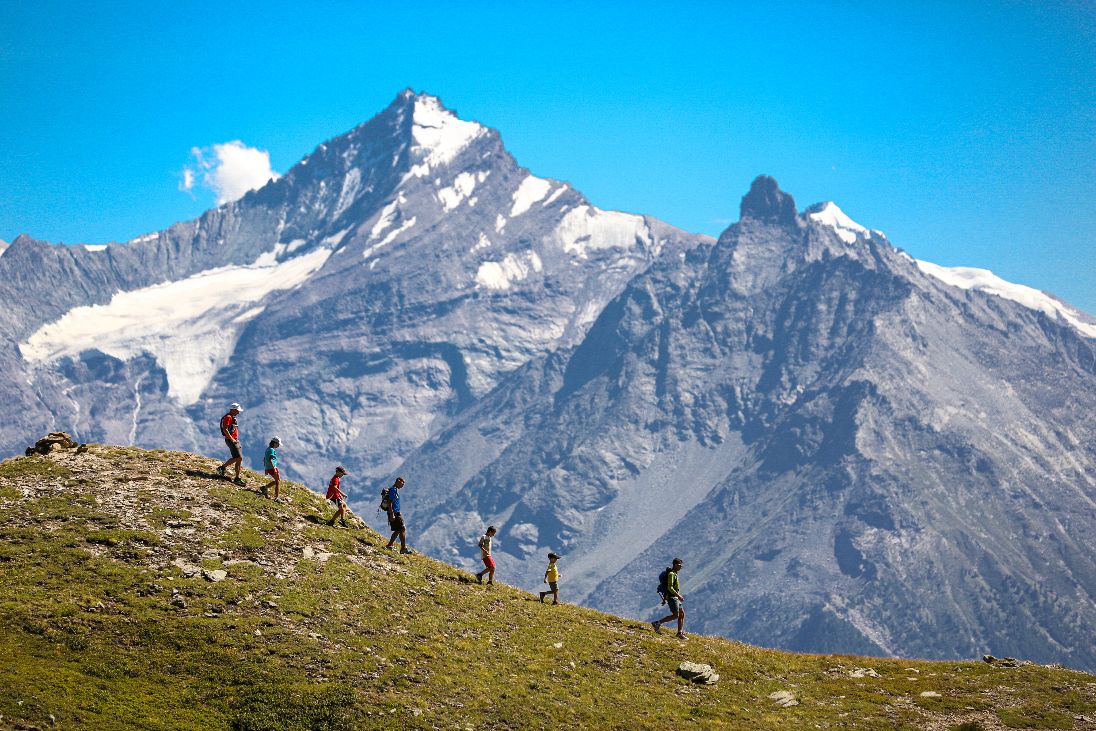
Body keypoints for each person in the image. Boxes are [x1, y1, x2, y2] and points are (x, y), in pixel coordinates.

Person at [652, 557, 686, 639]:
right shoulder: (671, 574)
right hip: (672, 597)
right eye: (678, 565)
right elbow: (670, 587)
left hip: (675, 597)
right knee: (675, 615)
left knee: (682, 614)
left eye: (681, 566)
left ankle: (679, 633)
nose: (680, 567)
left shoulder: (675, 574)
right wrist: (679, 596)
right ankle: (657, 623)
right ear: (674, 565)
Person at [216, 403, 245, 486]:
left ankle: (237, 478)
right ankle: (222, 468)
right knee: (238, 457)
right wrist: (232, 439)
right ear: (233, 410)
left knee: (239, 459)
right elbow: (225, 429)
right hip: (231, 440)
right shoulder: (228, 417)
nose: (238, 412)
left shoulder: (232, 417)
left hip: (235, 440)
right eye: (237, 411)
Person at [384, 477, 413, 554]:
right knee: (402, 529)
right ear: (398, 481)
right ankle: (403, 548)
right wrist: (392, 514)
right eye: (402, 484)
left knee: (397, 530)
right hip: (395, 513)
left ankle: (389, 545)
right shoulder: (393, 490)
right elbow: (390, 502)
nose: (402, 486)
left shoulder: (394, 490)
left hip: (395, 512)